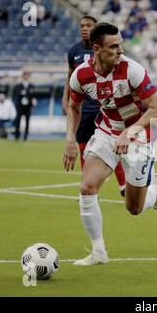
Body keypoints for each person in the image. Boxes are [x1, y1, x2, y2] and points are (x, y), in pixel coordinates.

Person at [63, 23, 157, 266]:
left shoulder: (133, 70)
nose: (120, 50)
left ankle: (156, 190)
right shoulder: (81, 75)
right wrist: (70, 138)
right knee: (87, 188)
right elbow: (73, 107)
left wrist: (130, 132)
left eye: (120, 44)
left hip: (141, 134)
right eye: (113, 46)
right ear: (97, 49)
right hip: (108, 131)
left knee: (134, 208)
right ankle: (99, 252)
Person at [62, 15, 127, 197]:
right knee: (84, 148)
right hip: (83, 107)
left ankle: (123, 185)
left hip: (104, 107)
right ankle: (88, 185)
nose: (84, 29)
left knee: (113, 147)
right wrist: (65, 98)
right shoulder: (73, 51)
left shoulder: (105, 49)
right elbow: (70, 79)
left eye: (89, 26)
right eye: (82, 25)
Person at [13, 71, 37, 141]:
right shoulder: (18, 86)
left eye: (27, 75)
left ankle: (25, 137)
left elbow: (34, 95)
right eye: (25, 75)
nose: (26, 77)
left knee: (27, 122)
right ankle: (17, 136)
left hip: (28, 106)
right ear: (23, 77)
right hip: (20, 106)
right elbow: (16, 95)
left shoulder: (31, 86)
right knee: (18, 121)